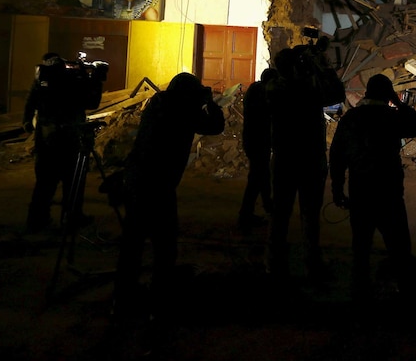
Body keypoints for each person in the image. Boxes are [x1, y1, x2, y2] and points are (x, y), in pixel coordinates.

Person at [111, 72, 225, 323]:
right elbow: (215, 126)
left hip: (136, 179)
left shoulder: (159, 103)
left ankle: (122, 298)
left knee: (133, 243)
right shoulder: (184, 109)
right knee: (164, 245)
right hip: (158, 185)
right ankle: (159, 303)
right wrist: (211, 102)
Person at [329, 73, 416, 303]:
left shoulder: (351, 118)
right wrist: (399, 102)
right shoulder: (391, 117)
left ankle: (360, 294)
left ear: (367, 93)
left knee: (361, 247)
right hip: (389, 192)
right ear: (388, 95)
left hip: (360, 190)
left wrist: (337, 188)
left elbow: (337, 156)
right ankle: (407, 292)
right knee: (399, 245)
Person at [264, 37, 346, 282]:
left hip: (283, 158)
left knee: (280, 214)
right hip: (309, 159)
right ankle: (312, 264)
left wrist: (304, 65)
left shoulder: (272, 88)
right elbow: (337, 93)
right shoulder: (307, 90)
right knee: (309, 216)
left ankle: (274, 264)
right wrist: (321, 65)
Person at [23, 52, 105, 233]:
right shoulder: (75, 80)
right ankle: (72, 216)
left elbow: (30, 102)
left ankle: (37, 220)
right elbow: (92, 102)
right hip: (70, 137)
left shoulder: (43, 80)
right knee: (72, 179)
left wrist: (27, 121)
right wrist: (95, 80)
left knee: (45, 181)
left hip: (47, 137)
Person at [237, 67, 278, 234]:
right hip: (257, 141)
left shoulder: (255, 90)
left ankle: (260, 209)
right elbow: (268, 113)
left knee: (260, 176)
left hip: (254, 140)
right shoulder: (260, 93)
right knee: (258, 178)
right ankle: (248, 215)